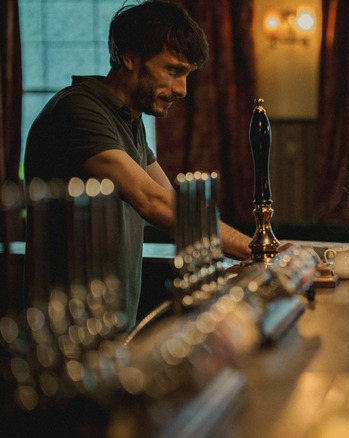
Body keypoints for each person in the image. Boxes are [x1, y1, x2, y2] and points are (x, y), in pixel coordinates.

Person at [23, 1, 251, 326]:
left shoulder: (129, 120)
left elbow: (173, 199)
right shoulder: (78, 110)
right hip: (67, 334)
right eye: (173, 71)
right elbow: (153, 201)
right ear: (130, 57)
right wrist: (255, 249)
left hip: (110, 327)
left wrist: (253, 247)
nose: (183, 90)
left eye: (186, 75)